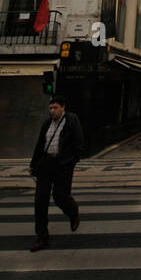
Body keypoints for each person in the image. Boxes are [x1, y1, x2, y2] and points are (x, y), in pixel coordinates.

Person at [27, 95, 84, 252]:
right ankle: (42, 237)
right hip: (45, 165)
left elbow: (78, 143)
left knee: (60, 197)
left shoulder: (72, 121)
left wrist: (70, 162)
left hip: (62, 166)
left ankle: (73, 212)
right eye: (50, 108)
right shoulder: (47, 124)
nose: (52, 111)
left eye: (55, 108)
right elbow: (40, 144)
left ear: (63, 107)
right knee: (40, 201)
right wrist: (33, 164)